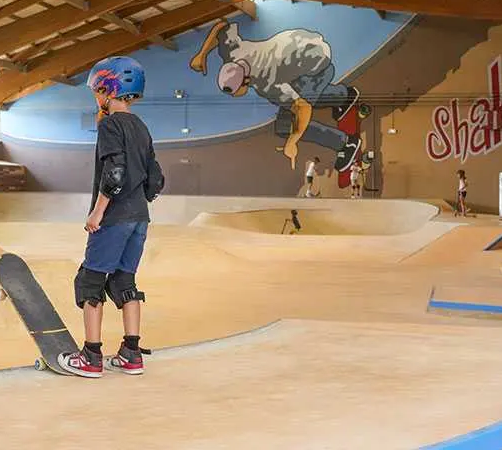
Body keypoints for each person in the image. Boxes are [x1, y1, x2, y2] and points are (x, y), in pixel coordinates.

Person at [58, 56, 164, 379]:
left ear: (108, 89)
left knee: (90, 282)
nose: (96, 98)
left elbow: (114, 174)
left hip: (114, 218)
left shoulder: (109, 125)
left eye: (97, 91)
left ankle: (90, 357)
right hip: (139, 219)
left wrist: (98, 211)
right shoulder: (142, 127)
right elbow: (156, 180)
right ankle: (131, 353)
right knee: (124, 281)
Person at [190, 21, 361, 174]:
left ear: (245, 81)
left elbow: (303, 107)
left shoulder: (267, 83)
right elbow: (221, 26)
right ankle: (344, 97)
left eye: (235, 92)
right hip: (305, 43)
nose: (235, 96)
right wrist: (202, 55)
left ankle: (346, 143)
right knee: (300, 95)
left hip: (319, 67)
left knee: (286, 124)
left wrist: (292, 142)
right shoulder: (233, 52)